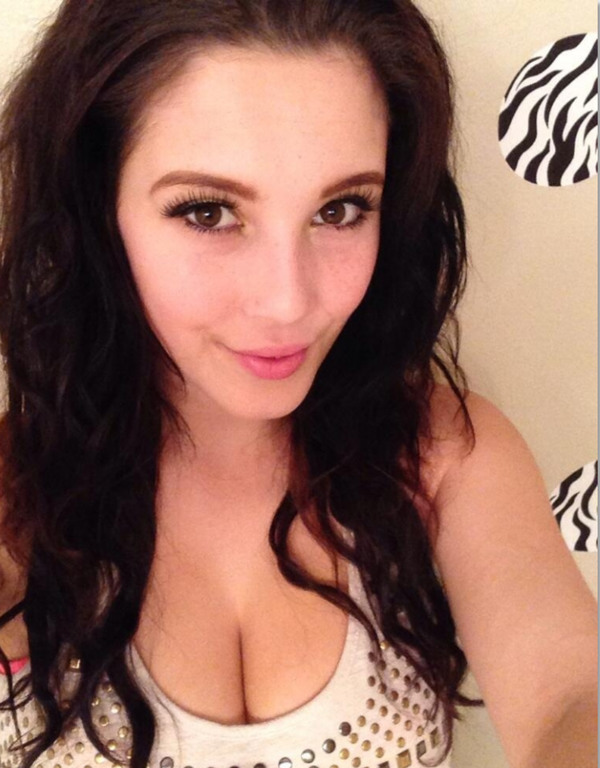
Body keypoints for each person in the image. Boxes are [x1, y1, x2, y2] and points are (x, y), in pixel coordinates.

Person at [0, 1, 595, 767]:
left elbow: (569, 696)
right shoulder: (16, 501)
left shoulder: (442, 457)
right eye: (207, 211)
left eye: (341, 209)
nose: (289, 302)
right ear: (97, 206)